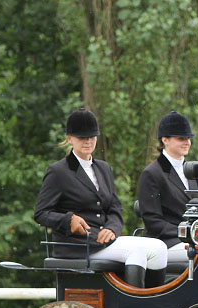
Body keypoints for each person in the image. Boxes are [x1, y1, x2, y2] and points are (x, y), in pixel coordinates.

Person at [34, 108, 168, 288]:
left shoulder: (103, 168)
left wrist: (112, 228)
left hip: (103, 240)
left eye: (92, 136)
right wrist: (68, 219)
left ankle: (153, 306)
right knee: (137, 252)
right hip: (78, 246)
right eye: (82, 137)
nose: (88, 141)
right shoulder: (58, 172)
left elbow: (114, 208)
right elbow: (41, 213)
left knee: (158, 248)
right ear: (69, 138)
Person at [137, 111, 198, 264]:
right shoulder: (151, 173)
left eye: (188, 138)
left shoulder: (192, 170)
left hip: (193, 239)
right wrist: (187, 233)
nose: (187, 142)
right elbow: (153, 222)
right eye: (181, 138)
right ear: (165, 140)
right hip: (165, 242)